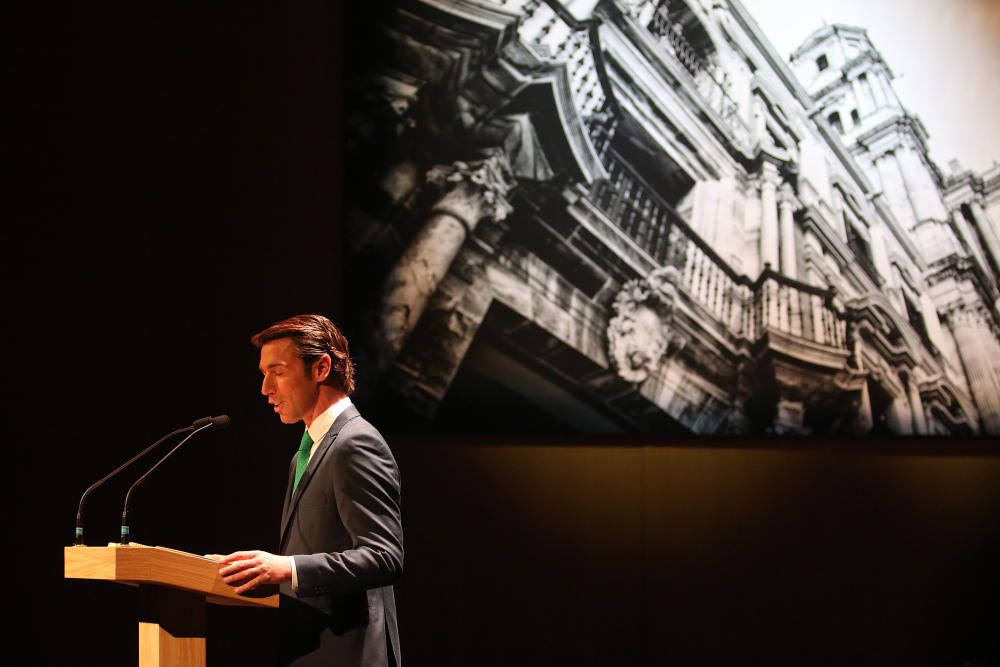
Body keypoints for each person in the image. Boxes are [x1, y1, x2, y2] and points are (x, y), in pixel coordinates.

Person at [213, 314, 403, 666]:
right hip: (310, 650)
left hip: (349, 652)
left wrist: (288, 568)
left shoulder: (355, 443)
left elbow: (383, 557)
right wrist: (249, 570)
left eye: (278, 372)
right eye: (263, 374)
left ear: (321, 368)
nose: (265, 388)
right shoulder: (306, 451)